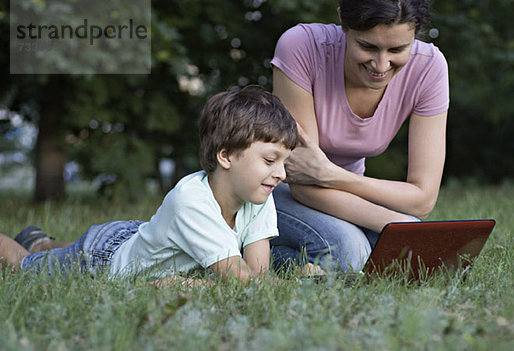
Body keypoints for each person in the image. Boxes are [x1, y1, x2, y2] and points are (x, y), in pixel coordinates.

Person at [0, 87, 320, 284]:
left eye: (283, 162)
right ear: (226, 156)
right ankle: (31, 248)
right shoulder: (191, 200)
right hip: (103, 259)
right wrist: (302, 280)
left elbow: (257, 277)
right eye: (269, 160)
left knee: (63, 251)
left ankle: (39, 240)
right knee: (24, 267)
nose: (281, 174)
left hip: (143, 237)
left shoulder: (259, 195)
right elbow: (243, 282)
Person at [270, 0, 449, 272]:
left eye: (398, 49)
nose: (381, 64)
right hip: (276, 187)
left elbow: (422, 200)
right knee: (350, 253)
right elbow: (301, 180)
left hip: (345, 191)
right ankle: (244, 251)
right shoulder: (301, 46)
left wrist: (331, 175)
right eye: (368, 47)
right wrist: (399, 224)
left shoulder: (429, 68)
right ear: (343, 21)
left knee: (404, 257)